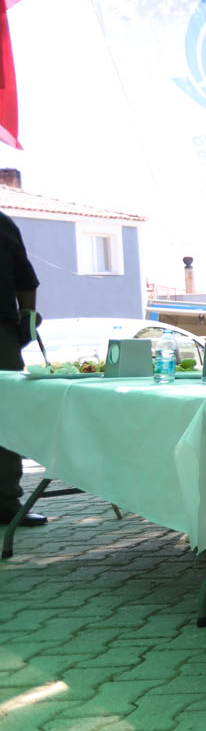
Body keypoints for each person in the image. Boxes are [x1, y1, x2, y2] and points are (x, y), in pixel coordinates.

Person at [1, 209, 45, 526]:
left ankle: (5, 503)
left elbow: (24, 277)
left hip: (1, 330)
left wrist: (27, 317)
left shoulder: (3, 224)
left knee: (6, 415)